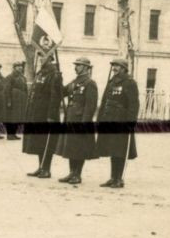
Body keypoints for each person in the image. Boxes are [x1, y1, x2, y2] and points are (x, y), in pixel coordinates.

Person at [94, 57, 139, 188]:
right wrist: (99, 118)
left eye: (117, 66)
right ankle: (112, 177)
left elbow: (133, 104)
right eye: (113, 65)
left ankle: (119, 178)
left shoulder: (130, 83)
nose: (114, 68)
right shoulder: (112, 81)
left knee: (120, 150)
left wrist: (131, 121)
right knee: (112, 149)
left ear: (124, 68)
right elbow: (104, 101)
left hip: (121, 121)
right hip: (109, 120)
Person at [55, 57, 98, 185]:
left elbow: (90, 106)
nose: (76, 67)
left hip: (80, 120)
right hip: (70, 118)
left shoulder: (90, 83)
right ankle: (71, 172)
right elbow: (62, 92)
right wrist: (58, 80)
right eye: (76, 65)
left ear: (86, 67)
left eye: (78, 65)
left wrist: (84, 122)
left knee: (79, 148)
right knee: (71, 147)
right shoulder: (75, 82)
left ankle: (77, 174)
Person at [23, 49, 63, 177]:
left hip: (47, 115)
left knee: (47, 141)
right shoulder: (41, 73)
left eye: (43, 56)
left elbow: (55, 96)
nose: (40, 58)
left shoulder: (54, 74)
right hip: (37, 113)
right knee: (39, 141)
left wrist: (51, 115)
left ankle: (46, 169)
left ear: (50, 58)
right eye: (39, 56)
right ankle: (41, 167)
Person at [5, 62, 27, 139]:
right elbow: (7, 90)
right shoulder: (10, 77)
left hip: (21, 100)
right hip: (14, 99)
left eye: (21, 66)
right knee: (12, 117)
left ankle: (14, 133)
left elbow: (25, 89)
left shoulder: (23, 77)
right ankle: (10, 134)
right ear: (14, 68)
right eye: (18, 66)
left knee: (18, 117)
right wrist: (8, 100)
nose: (20, 68)